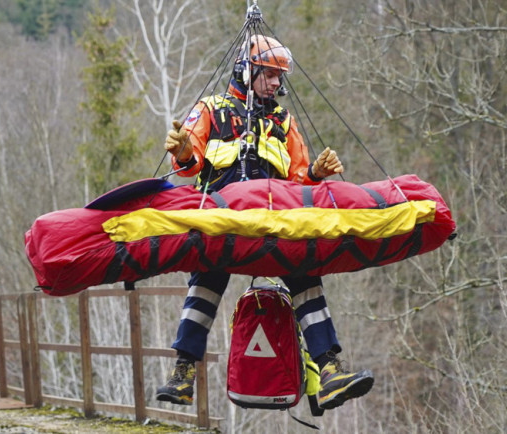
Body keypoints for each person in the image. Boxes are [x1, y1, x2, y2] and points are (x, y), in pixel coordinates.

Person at [156, 35, 374, 410]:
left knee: (305, 274)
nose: (276, 83)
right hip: (224, 219)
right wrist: (183, 151)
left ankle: (331, 372)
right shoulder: (212, 109)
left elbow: (298, 179)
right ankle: (183, 373)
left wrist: (317, 174)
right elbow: (186, 167)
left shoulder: (283, 122)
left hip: (272, 224)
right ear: (246, 69)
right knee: (205, 283)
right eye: (269, 74)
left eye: (279, 76)